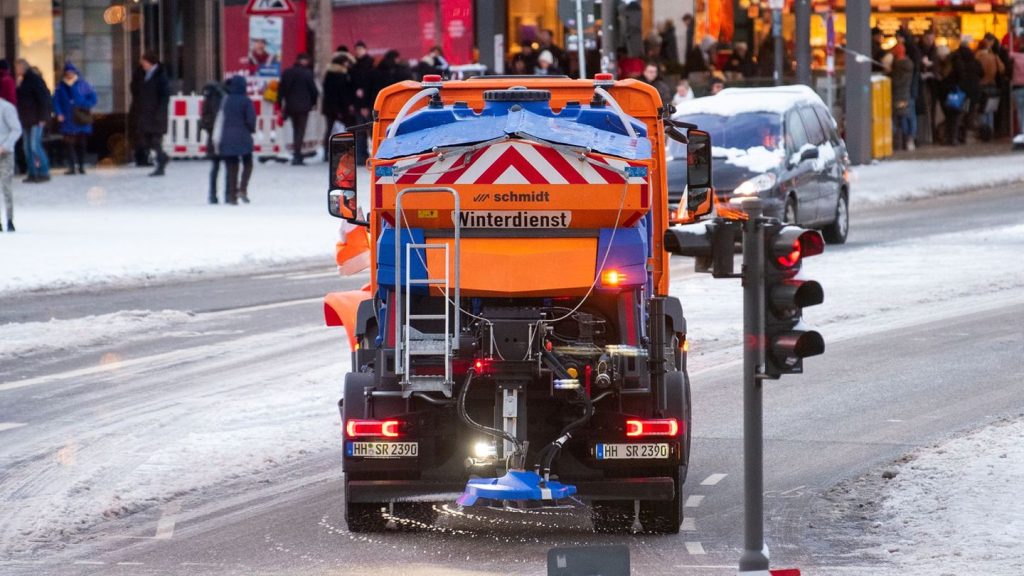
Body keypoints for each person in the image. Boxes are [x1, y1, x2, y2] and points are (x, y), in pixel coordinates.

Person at [213, 76, 256, 205]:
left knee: (232, 167)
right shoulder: (246, 101)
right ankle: (243, 188)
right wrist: (251, 130)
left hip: (227, 137)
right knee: (247, 163)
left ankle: (232, 196)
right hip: (243, 136)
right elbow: (251, 119)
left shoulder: (226, 100)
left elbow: (220, 117)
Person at [52, 62, 96, 175]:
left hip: (80, 117)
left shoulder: (83, 84)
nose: (69, 74)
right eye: (67, 72)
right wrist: (59, 113)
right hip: (67, 118)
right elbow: (56, 101)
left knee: (81, 142)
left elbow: (93, 98)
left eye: (71, 72)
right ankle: (72, 166)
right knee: (69, 143)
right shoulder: (60, 86)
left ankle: (81, 166)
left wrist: (84, 104)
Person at [277, 53, 319, 166]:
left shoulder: (287, 72)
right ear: (304, 61)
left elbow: (281, 90)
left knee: (295, 129)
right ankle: (297, 155)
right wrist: (313, 103)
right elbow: (314, 91)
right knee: (300, 130)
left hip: (290, 106)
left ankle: (296, 153)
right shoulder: (307, 73)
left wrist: (280, 104)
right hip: (304, 107)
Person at [14, 58, 51, 183]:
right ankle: (32, 173)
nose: (16, 70)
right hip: (26, 119)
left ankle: (44, 171)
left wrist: (42, 117)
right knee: (27, 147)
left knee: (35, 146)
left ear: (23, 67)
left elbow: (43, 99)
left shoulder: (34, 80)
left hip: (36, 119)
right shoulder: (23, 81)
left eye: (18, 67)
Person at [136, 52, 170, 176]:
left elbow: (164, 96)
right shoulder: (146, 75)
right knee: (146, 140)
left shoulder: (160, 76)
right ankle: (163, 157)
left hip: (156, 115)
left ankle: (161, 165)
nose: (142, 65)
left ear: (150, 62)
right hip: (147, 114)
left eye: (144, 62)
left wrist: (160, 113)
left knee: (155, 141)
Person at [322, 53, 355, 153]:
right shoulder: (341, 75)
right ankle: (347, 149)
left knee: (329, 128)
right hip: (340, 107)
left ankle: (326, 151)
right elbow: (342, 93)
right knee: (349, 127)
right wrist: (343, 107)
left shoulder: (328, 74)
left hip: (328, 107)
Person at [200, 79, 226, 204]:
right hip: (225, 137)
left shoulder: (209, 98)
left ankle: (212, 195)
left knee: (215, 167)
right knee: (227, 166)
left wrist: (210, 128)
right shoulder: (225, 96)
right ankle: (228, 194)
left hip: (214, 137)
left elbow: (204, 118)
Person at [975, 35, 1004, 141]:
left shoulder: (977, 56)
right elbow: (1002, 69)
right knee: (990, 110)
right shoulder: (994, 57)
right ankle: (990, 132)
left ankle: (983, 133)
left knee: (982, 110)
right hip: (992, 84)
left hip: (981, 85)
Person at [890, 43, 916, 150]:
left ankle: (901, 142)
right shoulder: (909, 65)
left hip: (898, 96)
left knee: (900, 119)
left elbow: (896, 82)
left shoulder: (897, 67)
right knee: (907, 117)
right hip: (908, 94)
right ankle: (909, 140)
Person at [0, 95, 20, 232]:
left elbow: (16, 129)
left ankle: (9, 219)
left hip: (5, 153)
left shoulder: (6, 108)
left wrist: (5, 146)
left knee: (6, 186)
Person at [1011, 38, 1024, 138]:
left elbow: (1006, 54)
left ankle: (1022, 132)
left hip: (1018, 88)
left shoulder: (1015, 57)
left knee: (1020, 111)